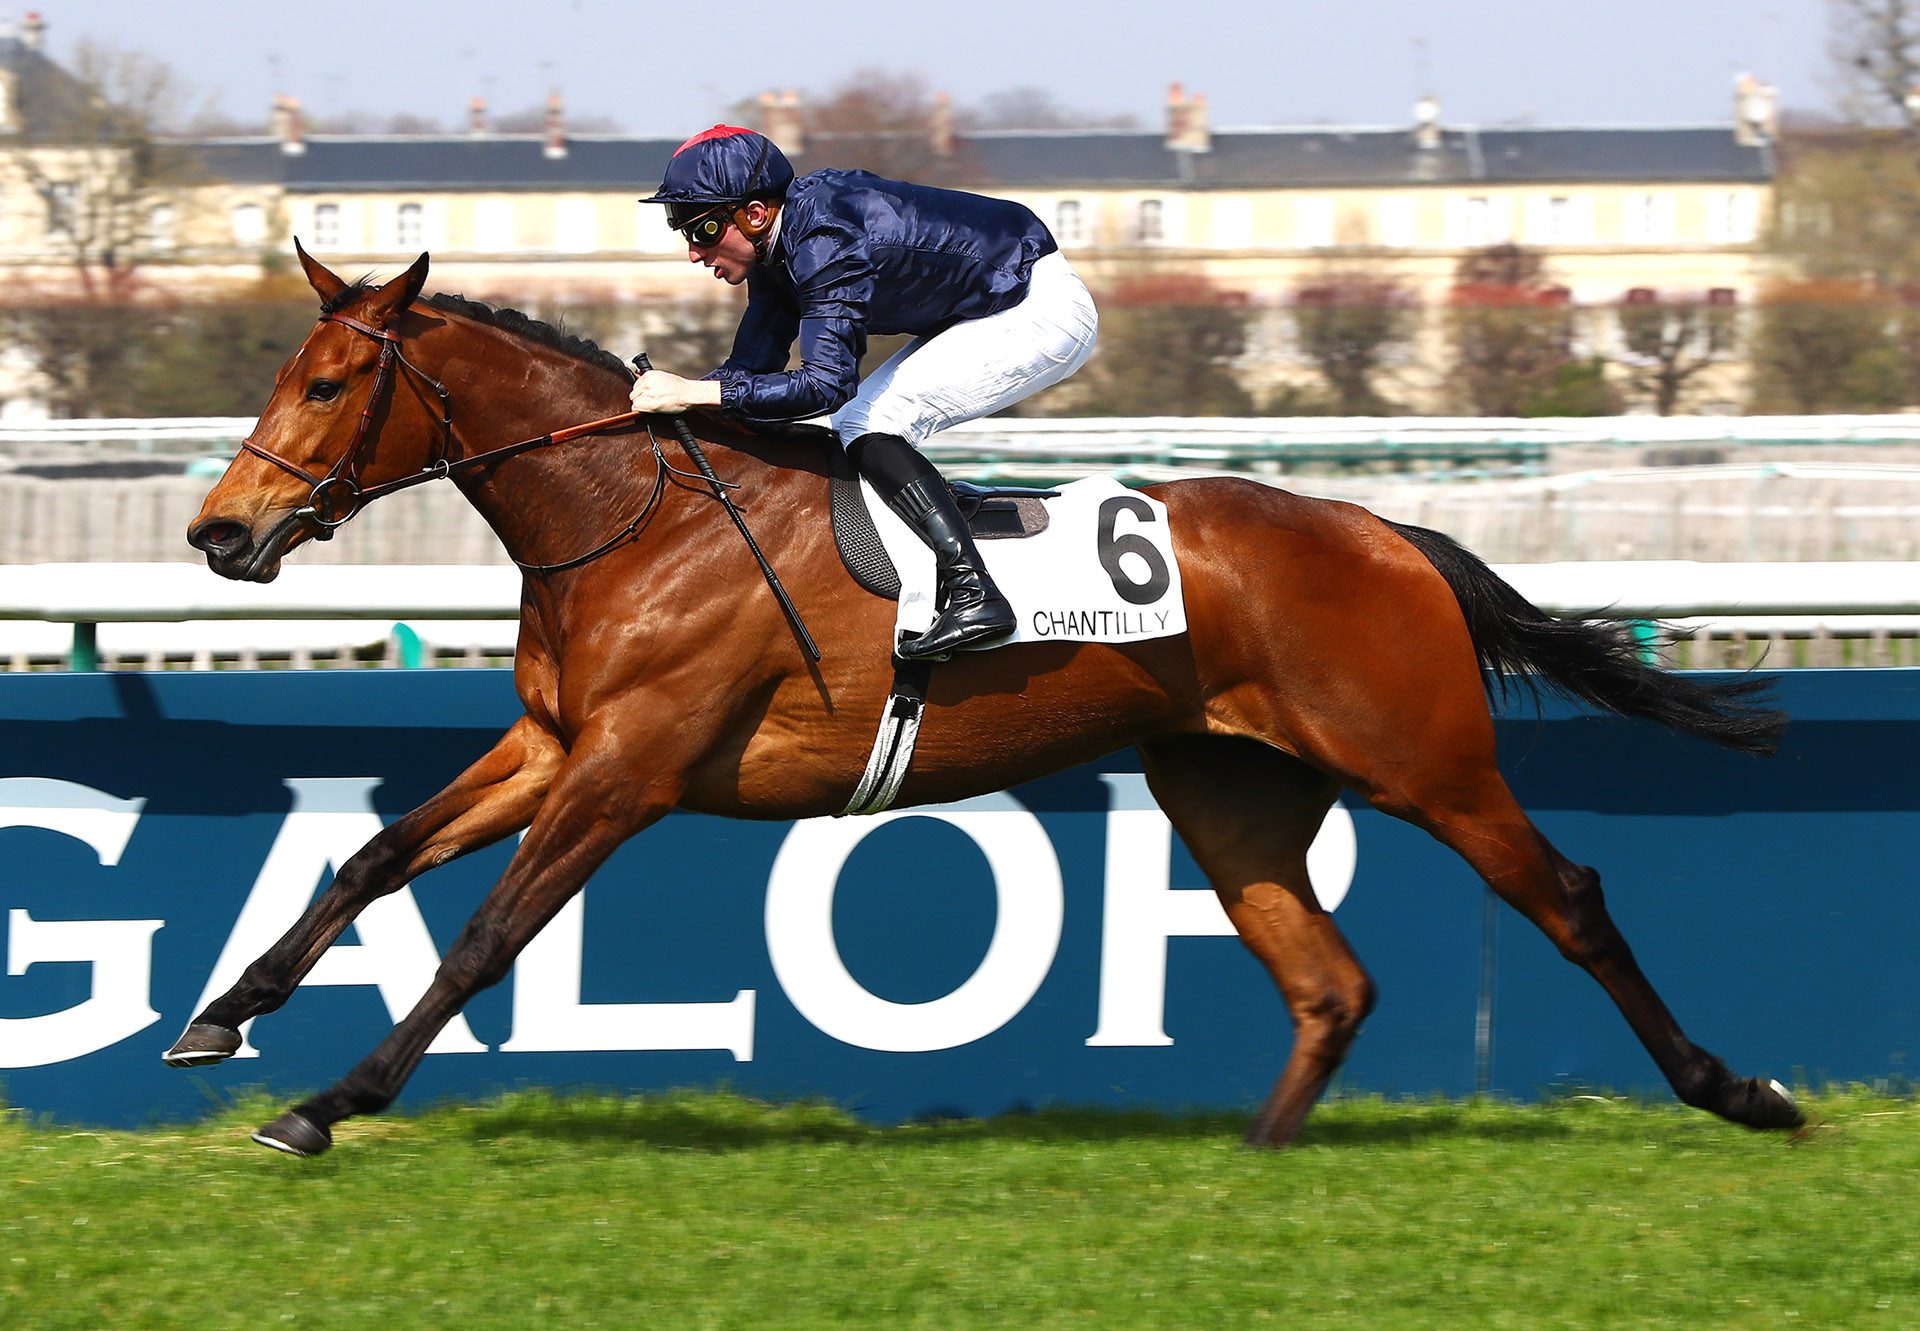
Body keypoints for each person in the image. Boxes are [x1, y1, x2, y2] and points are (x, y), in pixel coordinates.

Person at [630, 125, 1099, 661]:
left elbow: (826, 384)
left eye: (703, 229)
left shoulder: (824, 239)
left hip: (1038, 308)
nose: (693, 252)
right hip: (987, 305)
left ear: (755, 214)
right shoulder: (779, 254)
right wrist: (662, 410)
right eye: (681, 231)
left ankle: (976, 593)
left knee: (864, 420)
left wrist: (693, 394)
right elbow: (747, 373)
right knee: (855, 420)